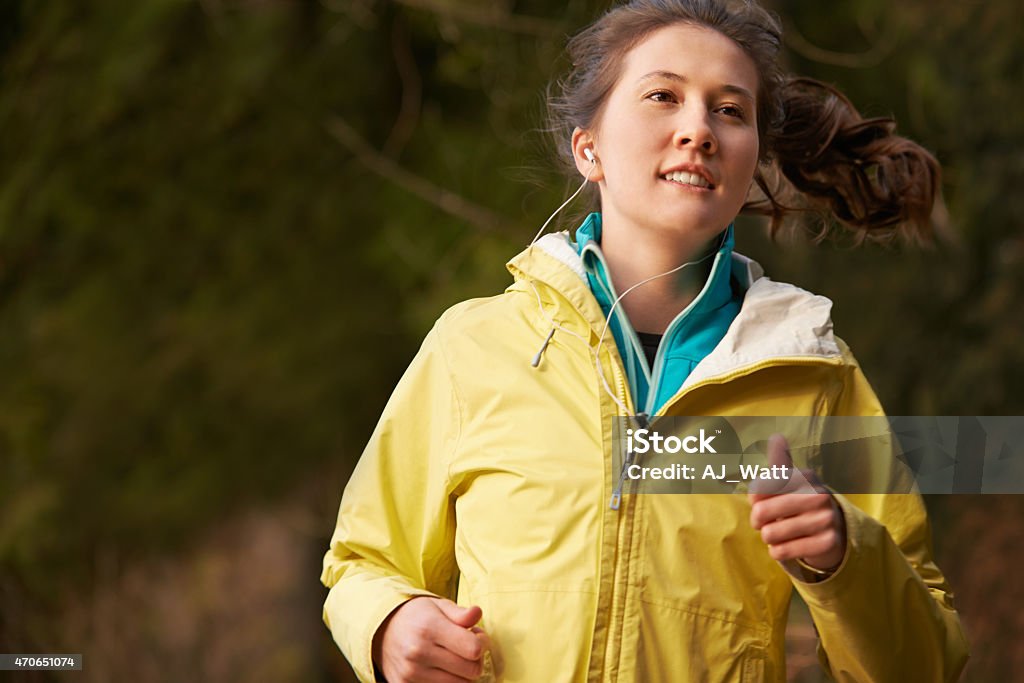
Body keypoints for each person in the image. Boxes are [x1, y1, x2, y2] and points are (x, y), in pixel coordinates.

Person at [321, 1, 969, 681]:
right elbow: (364, 562)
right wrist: (388, 626)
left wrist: (846, 556)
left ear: (752, 160)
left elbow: (926, 664)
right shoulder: (473, 345)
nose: (698, 129)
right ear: (588, 147)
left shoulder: (814, 377)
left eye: (730, 110)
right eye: (663, 95)